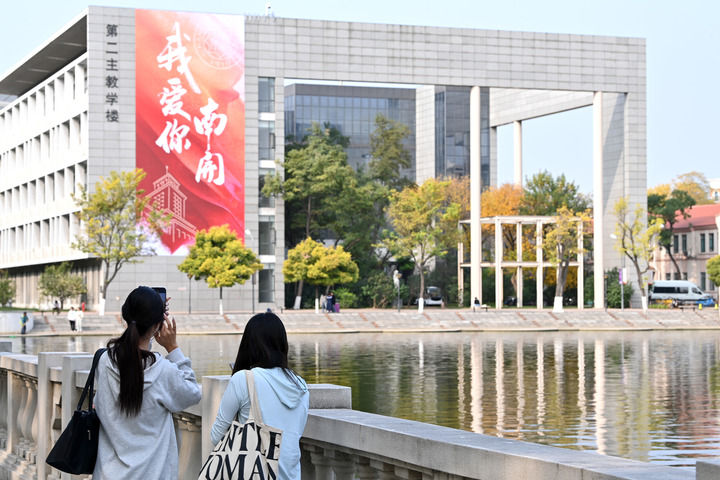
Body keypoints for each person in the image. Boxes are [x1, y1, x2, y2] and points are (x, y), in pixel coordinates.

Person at [93, 286, 201, 479]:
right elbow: (192, 393)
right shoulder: (162, 370)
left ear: (125, 316)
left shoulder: (104, 361)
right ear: (158, 324)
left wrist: (151, 325)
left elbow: (135, 358)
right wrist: (173, 348)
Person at [211, 312, 309, 480]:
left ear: (249, 345)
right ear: (283, 344)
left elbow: (216, 436)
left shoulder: (244, 379)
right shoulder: (301, 385)